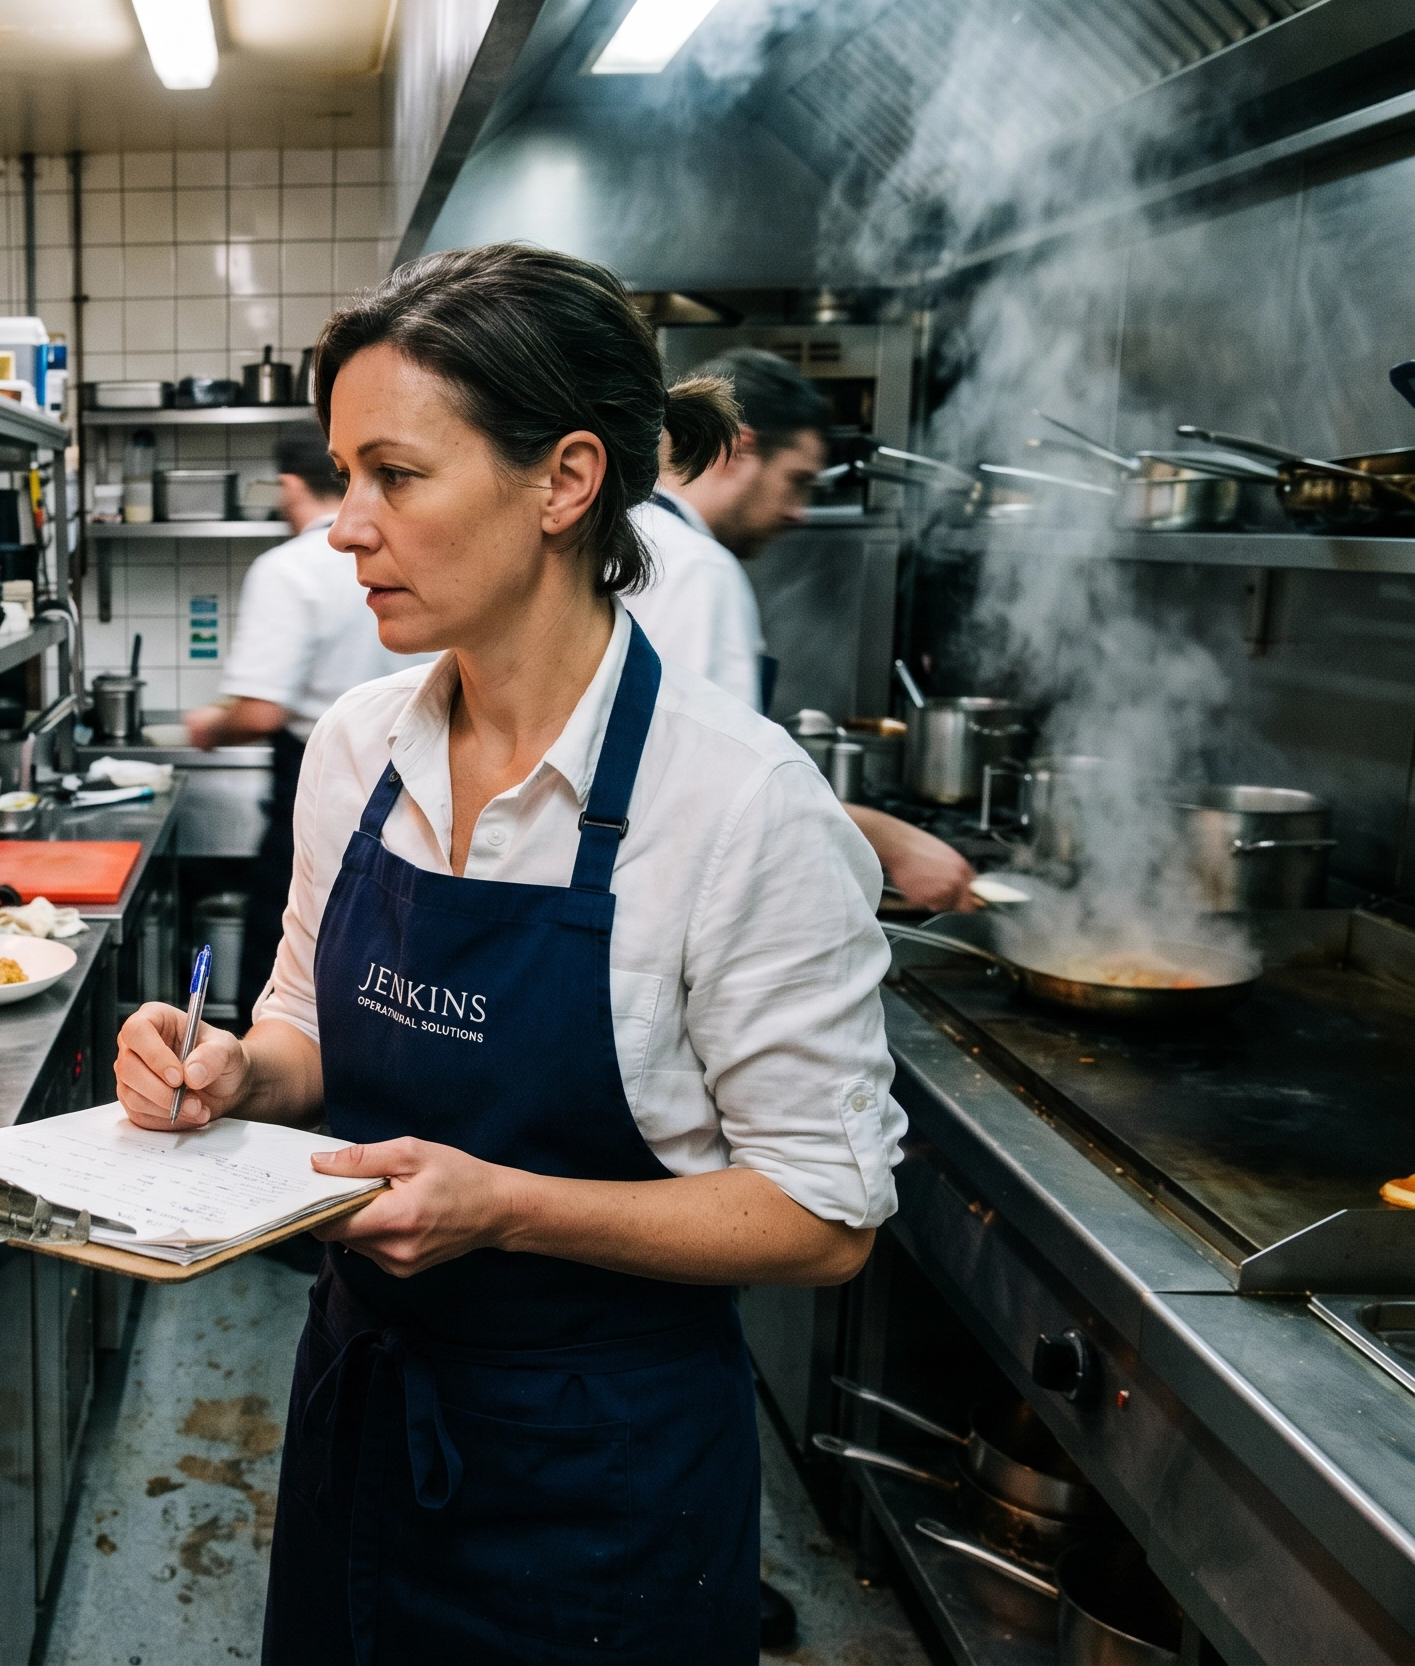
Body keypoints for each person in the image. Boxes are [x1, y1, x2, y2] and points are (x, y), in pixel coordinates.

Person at [113, 245, 902, 1664]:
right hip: (363, 1414)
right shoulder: (359, 745)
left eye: (395, 476)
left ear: (564, 481)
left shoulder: (736, 800)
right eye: (344, 474)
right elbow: (304, 1018)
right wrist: (234, 1071)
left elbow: (827, 1216)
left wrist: (512, 1208)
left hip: (600, 1479)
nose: (347, 527)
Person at [626, 347, 979, 912]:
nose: (801, 511)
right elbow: (724, 795)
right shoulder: (695, 570)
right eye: (797, 481)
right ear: (738, 449)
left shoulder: (624, 536)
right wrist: (893, 842)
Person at [186, 431, 432, 1005]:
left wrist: (209, 725)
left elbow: (260, 712)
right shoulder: (408, 557)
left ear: (291, 485)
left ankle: (265, 1084)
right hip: (421, 776)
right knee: (388, 974)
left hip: (317, 783)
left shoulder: (288, 568)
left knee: (284, 978)